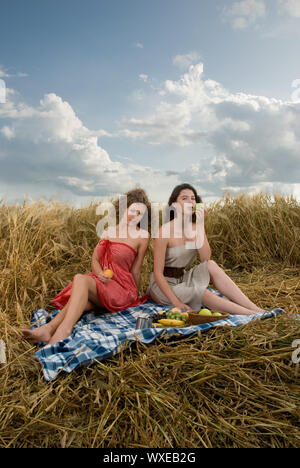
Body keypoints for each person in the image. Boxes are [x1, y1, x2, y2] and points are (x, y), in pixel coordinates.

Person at [22, 188, 151, 345]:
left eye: (140, 214)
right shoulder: (108, 231)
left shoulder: (143, 237)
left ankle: (63, 330)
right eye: (133, 210)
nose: (135, 216)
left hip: (123, 288)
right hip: (103, 282)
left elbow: (136, 270)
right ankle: (48, 330)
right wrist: (99, 274)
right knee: (80, 301)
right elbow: (95, 259)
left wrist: (134, 298)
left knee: (80, 280)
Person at [148, 183, 265, 316]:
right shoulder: (164, 231)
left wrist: (200, 224)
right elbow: (157, 274)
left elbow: (205, 258)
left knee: (211, 265)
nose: (190, 201)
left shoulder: (195, 227)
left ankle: (255, 308)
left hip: (183, 278)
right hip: (164, 285)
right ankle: (252, 315)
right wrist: (176, 303)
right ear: (174, 204)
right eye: (184, 198)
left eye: (193, 198)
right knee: (203, 293)